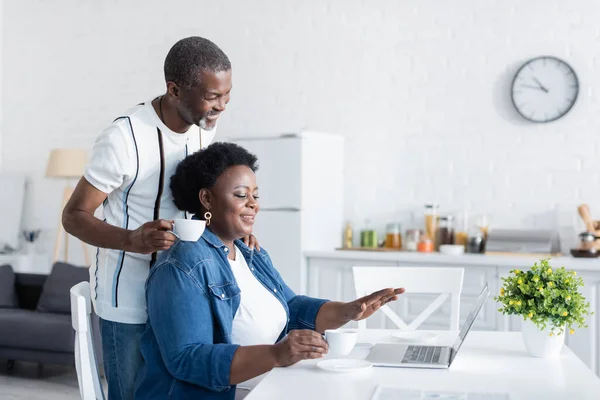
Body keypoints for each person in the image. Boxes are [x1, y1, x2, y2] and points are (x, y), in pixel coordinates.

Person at [62, 37, 257, 400]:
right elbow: (73, 216)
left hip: (184, 293)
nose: (221, 107)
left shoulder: (203, 126)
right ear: (174, 89)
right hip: (129, 297)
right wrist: (131, 240)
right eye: (212, 97)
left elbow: (202, 201)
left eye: (227, 96)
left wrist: (233, 234)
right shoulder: (123, 137)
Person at [135, 142, 405, 400]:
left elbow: (292, 307)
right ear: (206, 199)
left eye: (255, 195)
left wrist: (349, 311)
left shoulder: (250, 253)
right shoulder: (183, 265)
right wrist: (276, 354)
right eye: (241, 195)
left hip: (270, 383)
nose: (253, 204)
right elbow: (186, 359)